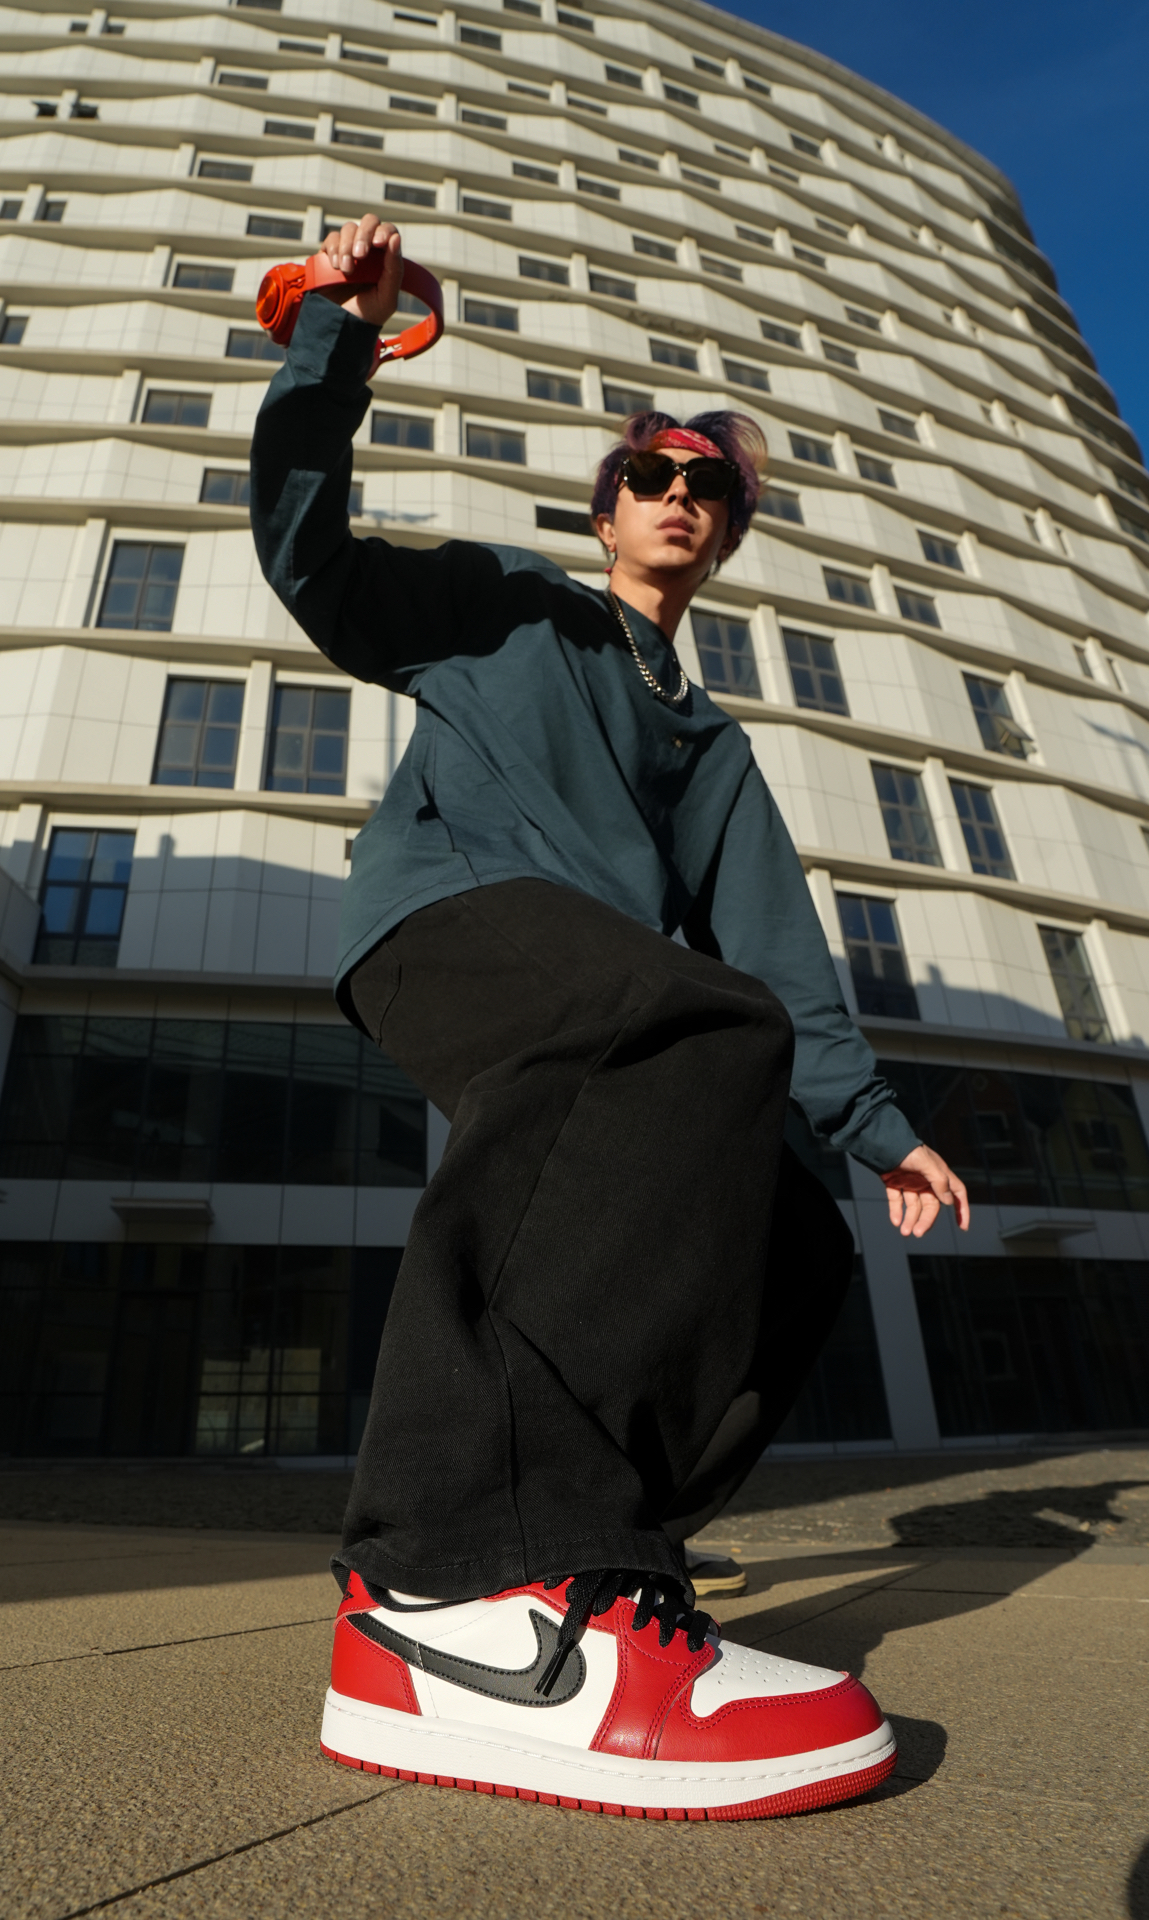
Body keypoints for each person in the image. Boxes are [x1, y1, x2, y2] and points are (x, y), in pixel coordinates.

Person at [251, 212, 969, 1821]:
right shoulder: (510, 604)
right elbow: (308, 554)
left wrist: (872, 1131)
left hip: (602, 985)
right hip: (444, 922)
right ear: (609, 507)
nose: (679, 498)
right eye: (651, 474)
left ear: (725, 538)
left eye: (709, 489)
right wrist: (334, 342)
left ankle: (600, 1550)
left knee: (787, 1228)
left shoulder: (709, 744)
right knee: (670, 1018)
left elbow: (777, 955)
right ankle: (453, 1580)